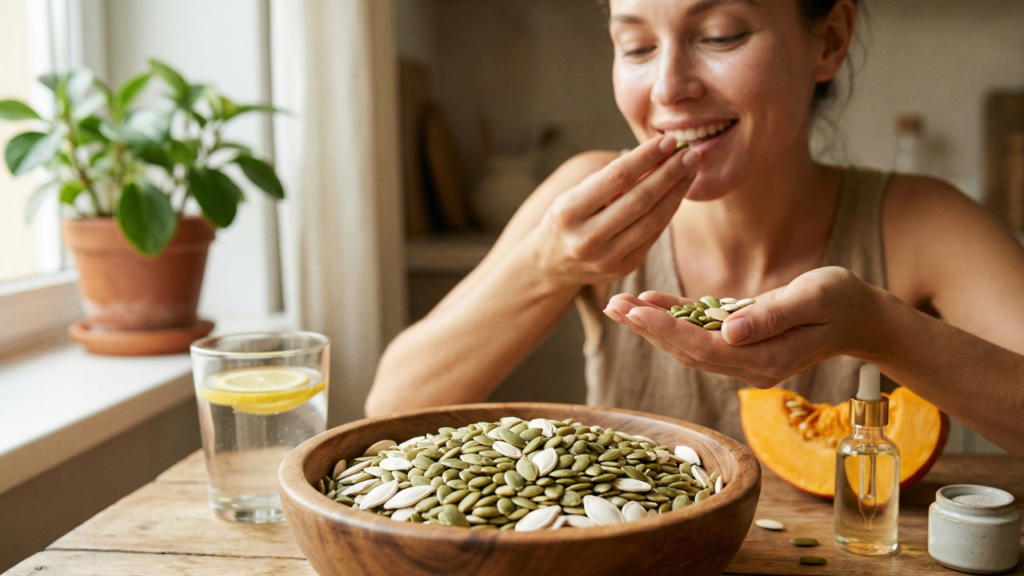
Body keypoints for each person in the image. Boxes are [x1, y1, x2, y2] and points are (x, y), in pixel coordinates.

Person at [366, 0, 1024, 458]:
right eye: (637, 46)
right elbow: (389, 408)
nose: (668, 88)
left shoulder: (924, 223)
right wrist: (544, 267)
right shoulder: (586, 199)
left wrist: (880, 331)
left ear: (827, 42)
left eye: (720, 35)